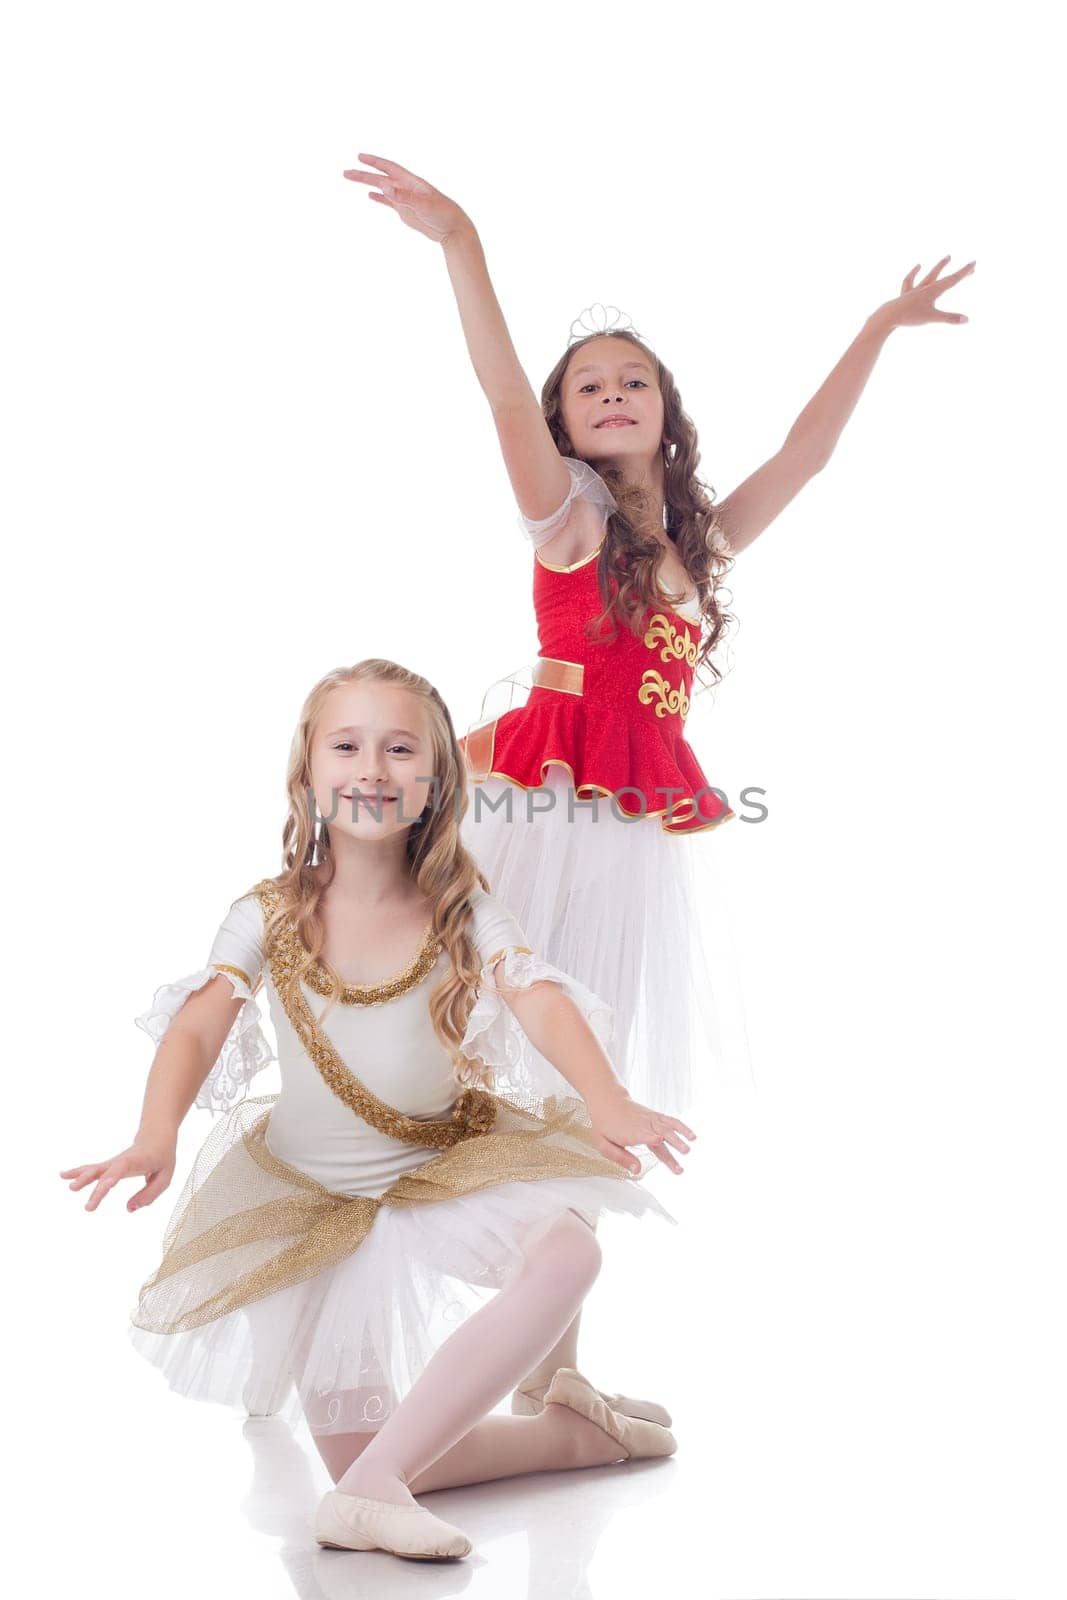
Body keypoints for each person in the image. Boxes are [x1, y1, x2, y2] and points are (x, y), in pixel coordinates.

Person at [342, 151, 975, 1416]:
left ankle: (552, 1369)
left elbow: (805, 452)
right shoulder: (563, 515)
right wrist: (461, 240)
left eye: (634, 380)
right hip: (537, 814)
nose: (611, 393)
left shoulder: (692, 545)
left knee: (592, 1073)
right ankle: (332, 1284)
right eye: (591, 384)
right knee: (458, 1044)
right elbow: (500, 400)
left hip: (629, 837)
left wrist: (875, 328)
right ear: (570, 422)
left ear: (663, 413)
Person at [60, 658, 695, 1564]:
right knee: (395, 1459)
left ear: (435, 783)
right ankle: (574, 1436)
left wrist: (608, 1098)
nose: (373, 768)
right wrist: (154, 1133)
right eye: (347, 745)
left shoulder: (460, 906)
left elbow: (537, 995)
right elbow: (201, 1025)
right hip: (316, 1211)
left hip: (434, 1174)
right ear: (307, 776)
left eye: (400, 749)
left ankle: (363, 1498)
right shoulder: (268, 912)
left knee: (568, 1250)